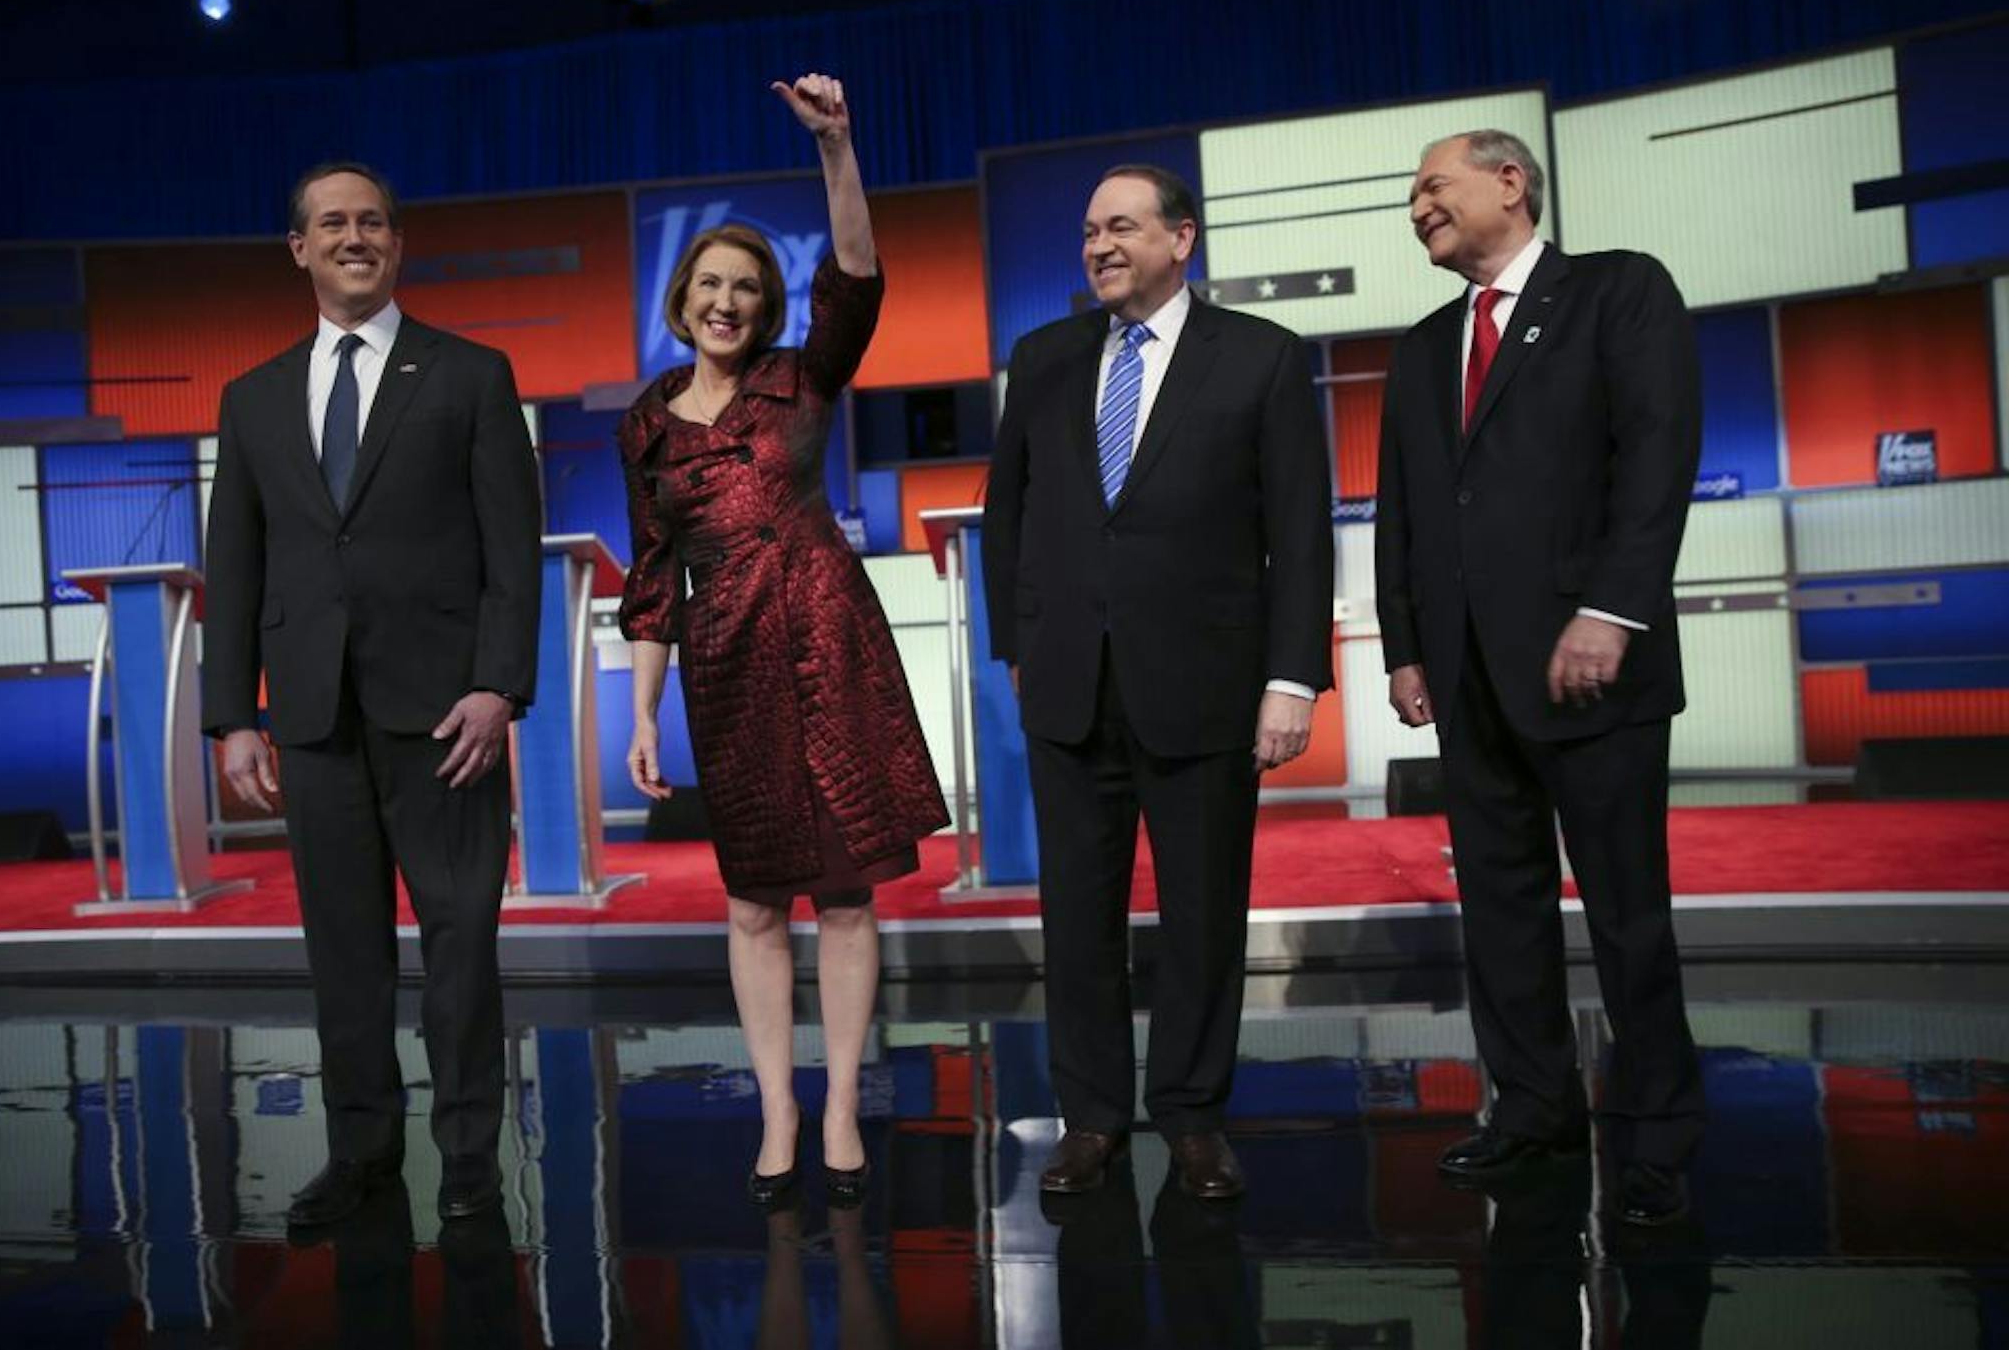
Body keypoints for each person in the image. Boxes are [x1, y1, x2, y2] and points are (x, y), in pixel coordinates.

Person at [615, 74, 948, 1205]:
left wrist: (839, 147)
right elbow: (655, 573)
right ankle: (778, 1110)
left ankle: (846, 1102)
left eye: (747, 288)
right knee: (754, 900)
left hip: (831, 640)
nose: (726, 302)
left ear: (764, 308)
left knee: (848, 895)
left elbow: (857, 274)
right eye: (709, 284)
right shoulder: (648, 423)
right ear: (683, 298)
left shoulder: (802, 381)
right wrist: (644, 711)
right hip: (727, 665)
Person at [982, 165, 1335, 1200]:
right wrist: (1020, 643)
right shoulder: (1042, 359)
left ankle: (1191, 1117)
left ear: (1183, 239)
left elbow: (1298, 533)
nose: (1099, 245)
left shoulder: (1261, 358)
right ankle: (1091, 1116)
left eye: (1122, 226)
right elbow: (1010, 514)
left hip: (1209, 687)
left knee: (1202, 914)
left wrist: (1292, 680)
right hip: (1069, 689)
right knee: (1075, 919)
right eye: (1089, 229)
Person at [1373, 129, 1705, 1226]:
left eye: (1433, 185)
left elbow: (1658, 456)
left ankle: (1656, 1143)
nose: (1416, 205)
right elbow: (1404, 515)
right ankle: (1532, 1111)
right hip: (1468, 681)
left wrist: (1613, 610)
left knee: (1626, 916)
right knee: (1501, 916)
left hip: (1590, 667)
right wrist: (1406, 646)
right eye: (1412, 196)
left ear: (1509, 181)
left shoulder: (1619, 293)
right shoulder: (1423, 348)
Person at [203, 161, 541, 1228]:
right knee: (343, 957)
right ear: (297, 247)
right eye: (333, 224)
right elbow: (238, 565)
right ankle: (362, 1157)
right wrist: (229, 716)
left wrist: (498, 685)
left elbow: (512, 553)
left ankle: (472, 1164)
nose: (356, 237)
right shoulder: (252, 398)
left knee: (460, 950)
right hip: (311, 718)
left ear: (398, 243)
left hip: (448, 721)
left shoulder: (471, 374)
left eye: (374, 222)